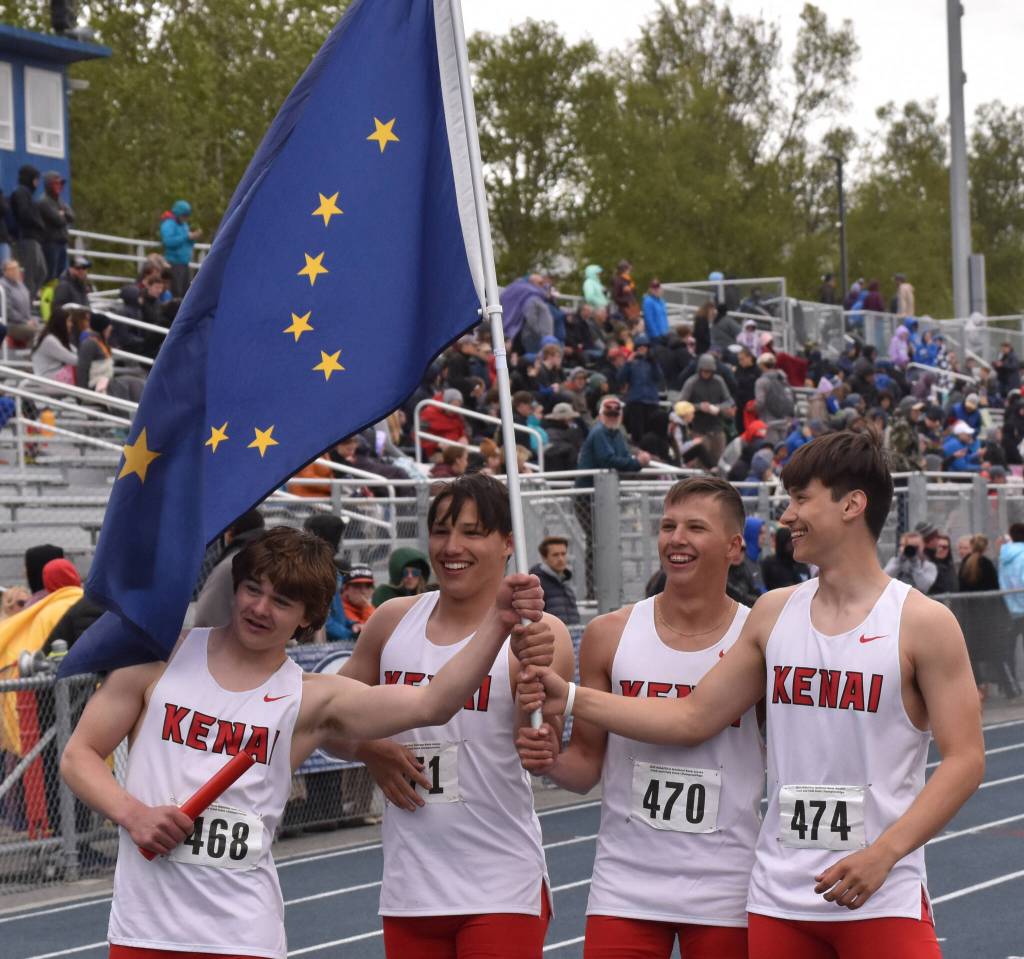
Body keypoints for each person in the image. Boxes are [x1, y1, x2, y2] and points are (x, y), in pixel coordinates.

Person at [521, 429, 984, 959]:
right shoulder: (774, 613)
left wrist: (886, 853)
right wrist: (572, 697)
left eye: (801, 498)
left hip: (881, 896)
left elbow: (966, 759)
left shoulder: (924, 622)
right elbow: (693, 717)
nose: (787, 515)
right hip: (778, 902)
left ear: (853, 504)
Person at [60, 526, 545, 958]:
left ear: (308, 616)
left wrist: (498, 622)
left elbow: (432, 704)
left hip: (241, 934)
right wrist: (132, 813)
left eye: (281, 602)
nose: (259, 608)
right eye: (253, 589)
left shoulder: (311, 699)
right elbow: (79, 756)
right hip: (145, 929)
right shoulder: (160, 660)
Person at [516, 478, 761, 959]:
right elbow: (586, 765)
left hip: (728, 882)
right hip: (626, 883)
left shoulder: (760, 637)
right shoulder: (612, 634)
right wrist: (548, 762)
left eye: (695, 527)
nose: (677, 539)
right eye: (668, 525)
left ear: (734, 547)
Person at [333, 474, 575, 958]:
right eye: (441, 531)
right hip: (411, 887)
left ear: (507, 543)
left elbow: (534, 753)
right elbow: (326, 719)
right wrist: (370, 749)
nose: (452, 547)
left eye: (471, 532)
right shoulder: (392, 620)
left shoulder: (539, 634)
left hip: (499, 884)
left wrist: (538, 714)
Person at [575, 396, 652, 597]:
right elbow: (608, 460)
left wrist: (635, 460)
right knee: (596, 542)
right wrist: (637, 463)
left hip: (602, 495)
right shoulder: (599, 433)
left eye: (615, 414)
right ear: (601, 415)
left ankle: (603, 589)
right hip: (588, 496)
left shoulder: (615, 434)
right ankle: (594, 591)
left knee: (603, 542)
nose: (612, 417)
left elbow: (623, 457)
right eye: (609, 414)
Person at [959, 533, 1019, 700]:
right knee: (997, 655)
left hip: (971, 618)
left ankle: (977, 691)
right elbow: (995, 588)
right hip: (987, 618)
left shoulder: (966, 563)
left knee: (973, 657)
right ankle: (1010, 690)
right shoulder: (986, 564)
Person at [192, 510, 267, 627]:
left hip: (223, 640)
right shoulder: (271, 559)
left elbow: (205, 615)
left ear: (231, 531)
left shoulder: (232, 564)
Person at [678, 354, 735, 464]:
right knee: (702, 462)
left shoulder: (719, 381)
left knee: (718, 462)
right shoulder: (692, 382)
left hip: (717, 428)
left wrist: (718, 408)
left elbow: (729, 401)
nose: (706, 374)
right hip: (698, 429)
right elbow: (681, 403)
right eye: (704, 371)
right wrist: (699, 407)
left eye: (709, 371)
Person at [618, 334, 666, 444]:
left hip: (651, 400)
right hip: (636, 400)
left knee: (651, 430)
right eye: (639, 348)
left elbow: (659, 377)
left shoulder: (652, 362)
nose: (642, 350)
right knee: (637, 432)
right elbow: (620, 378)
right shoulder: (631, 363)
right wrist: (628, 363)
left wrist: (654, 362)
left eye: (644, 347)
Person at [10, 164, 47, 298]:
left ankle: (28, 301)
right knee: (30, 275)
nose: (37, 183)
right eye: (36, 179)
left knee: (42, 272)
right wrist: (39, 223)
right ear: (29, 178)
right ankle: (27, 307)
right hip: (26, 238)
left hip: (34, 238)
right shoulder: (20, 192)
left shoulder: (27, 194)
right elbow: (24, 214)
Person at [529, 536, 580, 626]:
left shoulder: (566, 582)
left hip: (571, 637)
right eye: (555, 555)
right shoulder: (537, 583)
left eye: (563, 554)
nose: (560, 559)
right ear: (544, 557)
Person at [37, 171, 75, 281]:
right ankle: (47, 297)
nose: (59, 186)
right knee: (50, 274)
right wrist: (63, 214)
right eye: (56, 184)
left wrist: (63, 213)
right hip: (50, 243)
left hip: (61, 242)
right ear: (49, 185)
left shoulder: (59, 201)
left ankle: (55, 295)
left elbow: (72, 216)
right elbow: (58, 220)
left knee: (59, 273)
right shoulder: (44, 201)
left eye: (61, 184)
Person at [160, 199, 201, 297]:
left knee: (186, 292)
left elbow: (186, 242)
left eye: (187, 215)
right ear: (178, 213)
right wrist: (187, 237)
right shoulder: (168, 224)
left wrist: (192, 238)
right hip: (174, 263)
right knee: (176, 292)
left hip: (184, 263)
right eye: (184, 215)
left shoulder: (184, 224)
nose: (186, 218)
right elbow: (168, 241)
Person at [0, 259, 39, 347]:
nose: (15, 271)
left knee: (46, 330)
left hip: (23, 322)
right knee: (35, 332)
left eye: (17, 268)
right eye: (12, 269)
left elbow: (28, 307)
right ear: (5, 271)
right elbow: (7, 310)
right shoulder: (2, 286)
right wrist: (25, 321)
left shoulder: (21, 284)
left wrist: (31, 319)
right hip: (10, 324)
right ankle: (31, 358)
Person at [332, 564, 377, 640]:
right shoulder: (340, 608)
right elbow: (368, 633)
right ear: (345, 589)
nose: (363, 591)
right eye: (357, 586)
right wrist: (367, 607)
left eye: (368, 586)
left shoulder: (368, 606)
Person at [760, 526, 811, 590]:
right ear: (782, 543)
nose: (793, 545)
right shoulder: (770, 564)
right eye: (790, 541)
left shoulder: (801, 564)